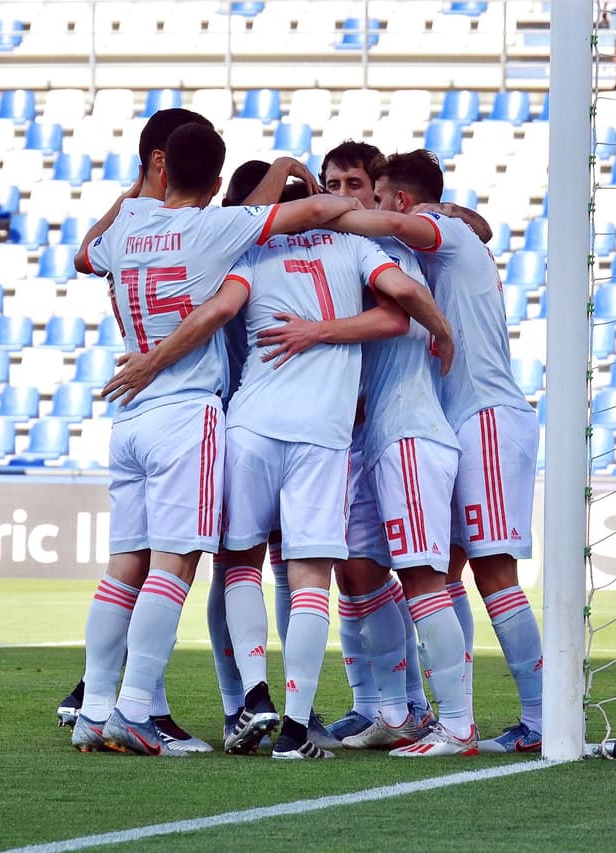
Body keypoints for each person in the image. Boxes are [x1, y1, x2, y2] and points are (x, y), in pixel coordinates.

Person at [67, 122, 360, 757]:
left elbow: (81, 254)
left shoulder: (124, 228)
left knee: (125, 565)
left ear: (159, 167)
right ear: (220, 181)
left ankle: (93, 709)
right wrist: (298, 173)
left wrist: (138, 191)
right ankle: (136, 709)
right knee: (175, 565)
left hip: (129, 413)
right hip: (184, 413)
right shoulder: (215, 229)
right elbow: (312, 208)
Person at [263, 140, 476, 756]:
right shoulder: (334, 253)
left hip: (409, 432)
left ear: (377, 191)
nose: (339, 192)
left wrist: (315, 332)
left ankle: (455, 721)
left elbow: (404, 314)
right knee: (358, 573)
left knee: (424, 577)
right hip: (366, 438)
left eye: (353, 183)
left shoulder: (385, 248)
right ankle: (390, 707)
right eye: (330, 181)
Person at [335, 149, 543, 754]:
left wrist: (324, 216)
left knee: (493, 572)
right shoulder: (448, 235)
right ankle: (445, 716)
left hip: (486, 416)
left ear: (398, 201)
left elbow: (413, 224)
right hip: (454, 422)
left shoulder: (441, 231)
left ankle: (538, 718)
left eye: (373, 198)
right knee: (444, 574)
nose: (365, 207)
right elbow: (463, 224)